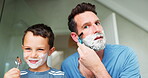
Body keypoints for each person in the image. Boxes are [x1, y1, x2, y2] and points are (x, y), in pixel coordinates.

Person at [61, 2, 141, 78]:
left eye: (97, 23)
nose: (97, 29)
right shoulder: (67, 66)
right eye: (86, 26)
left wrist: (97, 68)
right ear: (75, 37)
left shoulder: (125, 55)